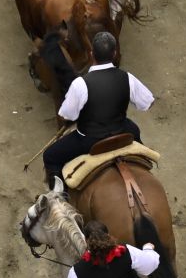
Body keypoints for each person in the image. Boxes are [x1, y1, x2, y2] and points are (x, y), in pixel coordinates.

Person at [44, 30, 154, 180]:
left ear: (91, 53)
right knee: (134, 129)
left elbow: (67, 115)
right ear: (114, 53)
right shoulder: (127, 77)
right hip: (122, 131)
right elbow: (148, 103)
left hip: (88, 141)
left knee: (50, 156)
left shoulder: (80, 84)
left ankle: (58, 195)